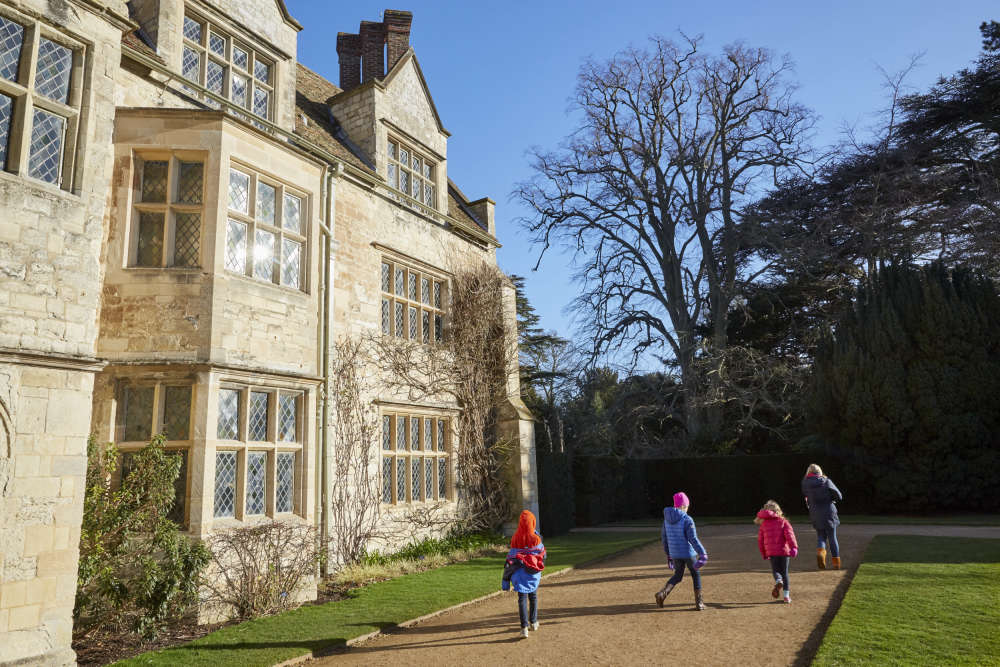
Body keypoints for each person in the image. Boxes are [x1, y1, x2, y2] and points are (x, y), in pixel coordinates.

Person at [655, 491, 708, 611]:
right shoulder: (687, 519)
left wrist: (669, 555)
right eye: (687, 506)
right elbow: (693, 539)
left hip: (675, 553)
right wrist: (702, 553)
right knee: (695, 574)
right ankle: (699, 603)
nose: (687, 509)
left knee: (678, 575)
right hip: (688, 553)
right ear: (683, 506)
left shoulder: (666, 520)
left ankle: (662, 594)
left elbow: (664, 539)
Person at [501, 509, 546, 638]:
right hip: (531, 573)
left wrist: (505, 580)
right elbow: (543, 555)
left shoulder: (515, 538)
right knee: (533, 596)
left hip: (518, 574)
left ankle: (524, 627)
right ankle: (533, 622)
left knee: (522, 599)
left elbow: (510, 558)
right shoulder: (536, 538)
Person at [755, 500, 798, 604]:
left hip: (772, 552)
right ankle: (786, 596)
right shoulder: (783, 522)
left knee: (776, 570)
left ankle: (778, 580)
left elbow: (760, 540)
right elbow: (790, 535)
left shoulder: (764, 524)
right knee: (785, 573)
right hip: (784, 551)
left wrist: (764, 553)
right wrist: (793, 548)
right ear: (778, 510)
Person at [801, 463, 844, 570]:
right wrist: (831, 498)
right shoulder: (826, 481)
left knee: (821, 536)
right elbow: (839, 496)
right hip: (829, 511)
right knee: (832, 537)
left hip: (815, 512)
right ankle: (836, 563)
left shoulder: (805, 483)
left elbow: (806, 496)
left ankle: (821, 552)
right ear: (819, 471)